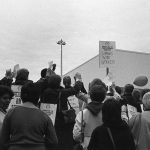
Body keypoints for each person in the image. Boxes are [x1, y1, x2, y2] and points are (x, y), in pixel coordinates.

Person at [0, 82, 58, 150]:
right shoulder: (45, 117)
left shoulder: (11, 113)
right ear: (38, 98)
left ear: (21, 96)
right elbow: (53, 141)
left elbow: (3, 140)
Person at [41, 74, 83, 150]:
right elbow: (76, 89)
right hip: (60, 120)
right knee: (62, 141)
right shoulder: (62, 92)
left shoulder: (44, 92)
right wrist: (78, 79)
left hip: (47, 119)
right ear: (58, 82)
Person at [73, 85, 106, 150]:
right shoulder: (108, 113)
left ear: (90, 96)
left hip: (87, 146)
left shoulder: (82, 114)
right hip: (104, 145)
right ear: (104, 97)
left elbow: (76, 136)